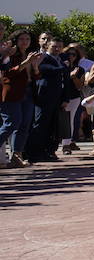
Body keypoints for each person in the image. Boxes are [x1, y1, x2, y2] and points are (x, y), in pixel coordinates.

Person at [1, 30, 40, 168]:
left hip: (28, 92)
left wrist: (35, 67)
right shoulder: (11, 54)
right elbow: (7, 73)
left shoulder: (31, 54)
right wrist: (26, 62)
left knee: (24, 125)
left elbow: (35, 77)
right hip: (12, 92)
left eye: (27, 39)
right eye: (22, 39)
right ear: (16, 40)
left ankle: (16, 155)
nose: (25, 42)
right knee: (11, 123)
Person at [28, 36, 68, 162]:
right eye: (54, 46)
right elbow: (45, 70)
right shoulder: (43, 58)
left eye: (59, 47)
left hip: (57, 97)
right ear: (47, 47)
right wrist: (64, 68)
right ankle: (35, 152)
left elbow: (66, 80)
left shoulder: (61, 60)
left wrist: (65, 98)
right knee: (40, 124)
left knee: (53, 126)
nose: (57, 49)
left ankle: (50, 151)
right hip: (44, 97)